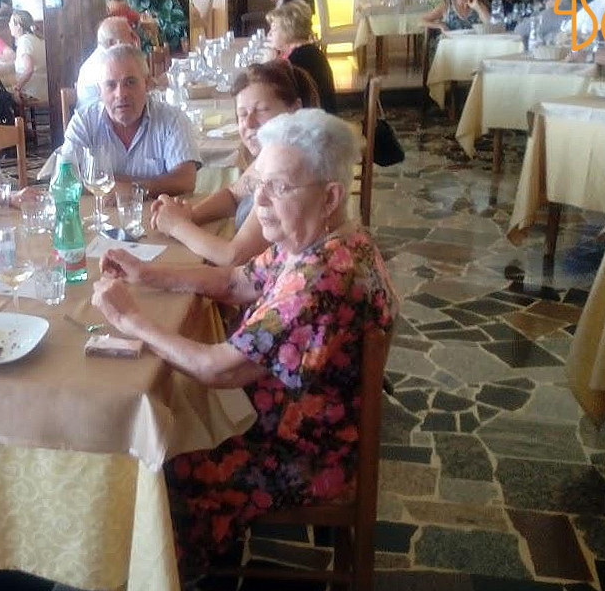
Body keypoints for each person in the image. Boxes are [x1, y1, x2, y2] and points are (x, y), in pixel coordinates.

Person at [90, 108, 396, 570]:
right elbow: (236, 281)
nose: (261, 202)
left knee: (157, 456)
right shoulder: (321, 243)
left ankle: (158, 567)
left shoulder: (321, 277)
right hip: (295, 415)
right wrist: (147, 273)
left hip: (302, 451)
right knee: (169, 408)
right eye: (259, 185)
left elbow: (218, 369)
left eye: (279, 187)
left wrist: (131, 321)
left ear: (331, 196)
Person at [150, 60, 318, 267]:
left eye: (261, 110)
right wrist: (191, 215)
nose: (248, 123)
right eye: (242, 114)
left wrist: (177, 225)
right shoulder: (272, 156)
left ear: (295, 109)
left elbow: (234, 256)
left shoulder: (291, 169)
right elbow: (233, 195)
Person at [65, 44, 200, 198]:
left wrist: (130, 188)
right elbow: (65, 178)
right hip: (98, 213)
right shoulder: (84, 122)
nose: (121, 94)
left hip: (156, 213)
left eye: (130, 82)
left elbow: (185, 181)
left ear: (147, 84)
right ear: (99, 90)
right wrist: (150, 185)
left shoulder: (172, 120)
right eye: (111, 85)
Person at [266, 1, 337, 114]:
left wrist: (269, 64)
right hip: (315, 116)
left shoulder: (300, 58)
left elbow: (273, 93)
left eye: (273, 29)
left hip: (314, 120)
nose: (269, 34)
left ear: (288, 30)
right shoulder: (306, 51)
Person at [75, 16, 141, 110]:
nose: (133, 41)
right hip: (98, 116)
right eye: (129, 35)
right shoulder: (105, 64)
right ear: (112, 43)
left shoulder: (105, 58)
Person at [9, 9, 49, 103]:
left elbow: (29, 69)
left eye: (11, 23)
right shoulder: (39, 38)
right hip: (43, 87)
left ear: (18, 26)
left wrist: (17, 87)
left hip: (32, 91)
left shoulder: (24, 41)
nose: (9, 25)